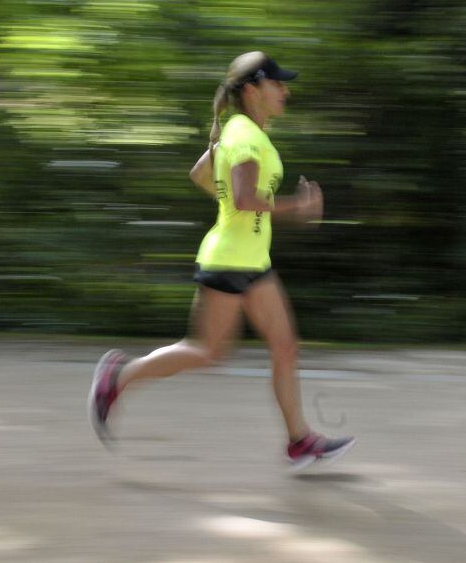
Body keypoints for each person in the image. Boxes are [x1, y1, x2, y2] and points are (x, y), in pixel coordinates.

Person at [88, 51, 355, 470]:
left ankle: (299, 441)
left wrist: (232, 203)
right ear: (252, 90)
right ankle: (116, 378)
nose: (285, 90)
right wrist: (297, 207)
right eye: (277, 83)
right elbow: (246, 198)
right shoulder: (245, 137)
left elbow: (200, 175)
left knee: (285, 346)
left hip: (251, 260)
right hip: (230, 261)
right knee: (206, 352)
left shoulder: (242, 132)